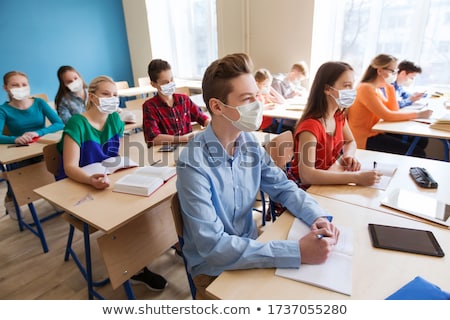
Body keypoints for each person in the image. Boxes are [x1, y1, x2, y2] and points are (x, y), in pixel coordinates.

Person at [176, 53, 339, 299]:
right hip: (213, 270)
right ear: (217, 106)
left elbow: (283, 187)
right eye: (247, 99)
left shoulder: (249, 143)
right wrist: (296, 252)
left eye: (256, 95)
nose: (258, 103)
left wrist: (316, 215)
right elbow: (213, 247)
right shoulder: (192, 163)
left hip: (250, 246)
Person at [57, 75, 167, 292]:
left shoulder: (115, 121)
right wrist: (90, 179)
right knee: (124, 214)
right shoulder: (77, 123)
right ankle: (135, 269)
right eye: (106, 94)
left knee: (144, 199)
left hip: (103, 179)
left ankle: (160, 244)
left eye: (115, 95)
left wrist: (124, 166)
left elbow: (110, 158)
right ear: (92, 96)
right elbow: (70, 167)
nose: (111, 99)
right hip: (76, 185)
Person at [287, 61, 381, 190]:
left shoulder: (338, 116)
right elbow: (307, 175)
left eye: (352, 85)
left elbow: (350, 141)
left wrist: (349, 155)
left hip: (328, 178)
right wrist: (357, 178)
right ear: (327, 89)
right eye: (347, 85)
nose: (352, 90)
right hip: (305, 189)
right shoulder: (310, 127)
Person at [1, 71, 64, 218]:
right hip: (20, 150)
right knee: (21, 172)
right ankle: (11, 200)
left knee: (56, 160)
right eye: (15, 85)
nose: (20, 87)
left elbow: (59, 123)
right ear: (6, 88)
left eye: (24, 84)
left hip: (40, 145)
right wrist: (15, 139)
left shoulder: (39, 103)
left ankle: (53, 193)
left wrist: (39, 132)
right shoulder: (3, 109)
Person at [347, 54, 432, 157]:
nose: (395, 75)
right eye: (393, 71)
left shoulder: (377, 88)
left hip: (376, 132)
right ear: (379, 71)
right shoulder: (365, 88)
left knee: (422, 141)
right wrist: (418, 115)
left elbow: (394, 110)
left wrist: (390, 87)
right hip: (365, 138)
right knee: (418, 153)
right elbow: (387, 115)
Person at [142, 59, 210, 147]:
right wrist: (183, 139)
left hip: (188, 149)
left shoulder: (184, 100)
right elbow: (152, 138)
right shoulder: (150, 106)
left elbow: (202, 118)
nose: (170, 84)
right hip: (167, 152)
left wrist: (210, 125)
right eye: (165, 82)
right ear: (153, 84)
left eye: (172, 79)